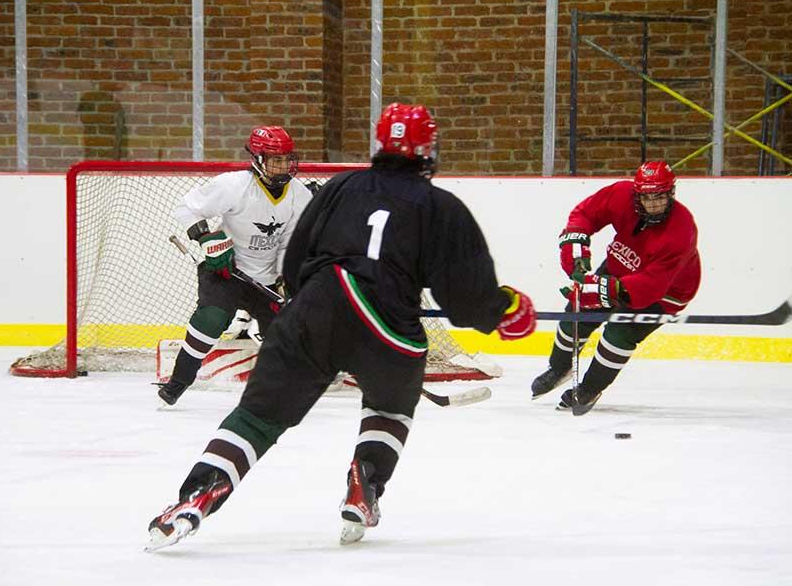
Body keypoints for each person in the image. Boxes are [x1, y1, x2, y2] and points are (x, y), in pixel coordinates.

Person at [145, 102, 537, 551]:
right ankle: (365, 479)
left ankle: (196, 498)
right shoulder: (441, 207)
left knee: (257, 417)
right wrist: (505, 310)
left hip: (314, 311)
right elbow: (466, 301)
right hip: (388, 329)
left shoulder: (340, 187)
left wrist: (310, 311)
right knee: (389, 408)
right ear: (430, 149)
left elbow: (294, 265)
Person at [157, 126, 313, 406]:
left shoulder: (299, 195)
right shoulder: (234, 185)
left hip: (266, 282)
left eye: (287, 159)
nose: (283, 166)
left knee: (283, 336)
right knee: (211, 321)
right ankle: (178, 382)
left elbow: (292, 243)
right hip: (225, 273)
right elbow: (185, 208)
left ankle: (278, 393)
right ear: (257, 158)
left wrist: (288, 280)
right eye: (275, 159)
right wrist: (206, 237)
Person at [530, 161, 701, 415]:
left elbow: (652, 285)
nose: (653, 204)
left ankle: (589, 388)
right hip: (620, 266)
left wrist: (604, 290)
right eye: (646, 197)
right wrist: (575, 247)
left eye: (660, 197)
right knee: (576, 312)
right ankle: (559, 367)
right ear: (636, 193)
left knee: (619, 334)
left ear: (671, 193)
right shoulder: (621, 194)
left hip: (666, 292)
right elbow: (585, 214)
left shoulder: (682, 229)